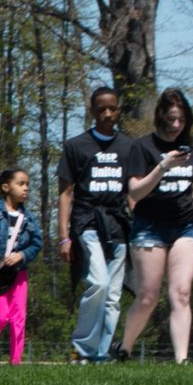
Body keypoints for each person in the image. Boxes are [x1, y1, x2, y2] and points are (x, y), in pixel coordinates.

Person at [117, 87, 193, 362]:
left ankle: (182, 360)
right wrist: (163, 166)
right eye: (170, 120)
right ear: (160, 117)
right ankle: (125, 349)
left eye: (180, 120)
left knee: (181, 292)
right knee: (147, 297)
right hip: (149, 227)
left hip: (184, 227)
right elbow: (136, 192)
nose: (175, 126)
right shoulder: (143, 147)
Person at [57, 86, 133, 361]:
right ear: (92, 112)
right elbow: (65, 194)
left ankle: (102, 353)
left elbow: (133, 192)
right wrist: (64, 236)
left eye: (112, 108)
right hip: (87, 222)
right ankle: (83, 347)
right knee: (98, 283)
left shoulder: (128, 146)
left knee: (113, 295)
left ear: (118, 109)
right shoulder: (76, 146)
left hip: (118, 224)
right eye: (101, 109)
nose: (108, 114)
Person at [0, 168, 42, 364]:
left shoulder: (29, 218)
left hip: (19, 274)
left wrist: (21, 255)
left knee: (18, 318)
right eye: (20, 184)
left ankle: (16, 361)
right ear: (6, 187)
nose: (26, 188)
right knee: (0, 318)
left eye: (27, 184)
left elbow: (37, 243)